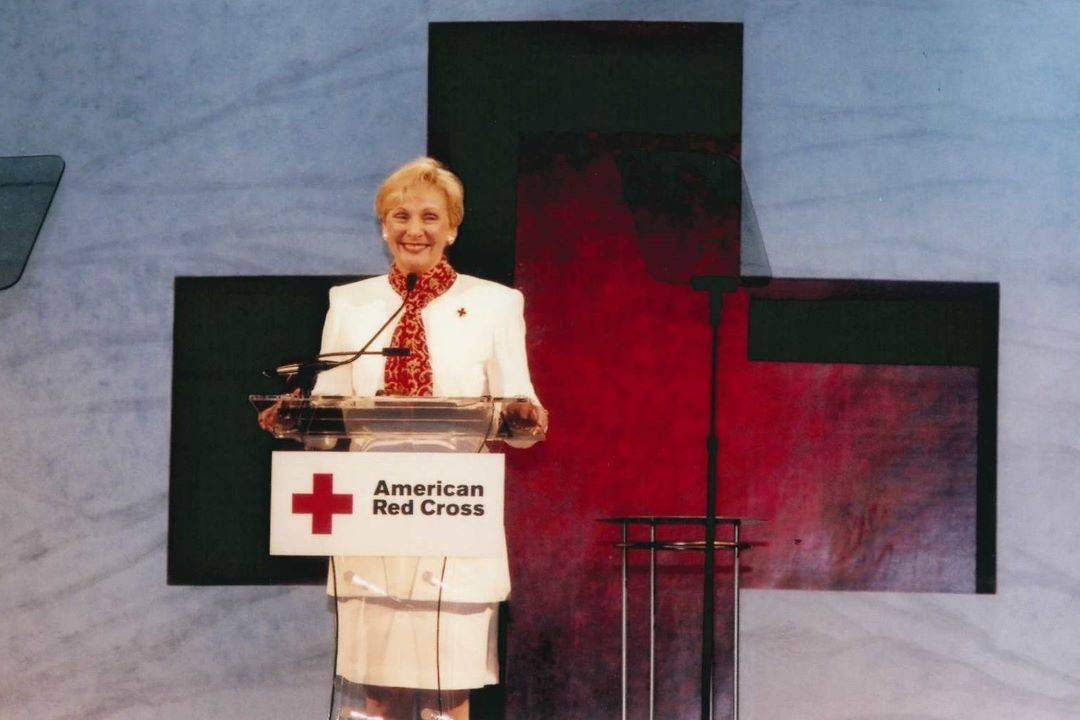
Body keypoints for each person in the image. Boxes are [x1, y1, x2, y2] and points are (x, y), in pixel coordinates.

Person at [262, 157, 546, 720]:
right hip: (372, 517)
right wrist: (300, 418)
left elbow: (520, 418)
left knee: (448, 692)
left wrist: (525, 418)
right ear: (384, 228)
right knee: (379, 694)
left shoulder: (495, 304)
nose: (415, 229)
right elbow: (332, 422)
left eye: (430, 216)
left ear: (453, 228)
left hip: (452, 512)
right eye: (400, 216)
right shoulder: (351, 304)